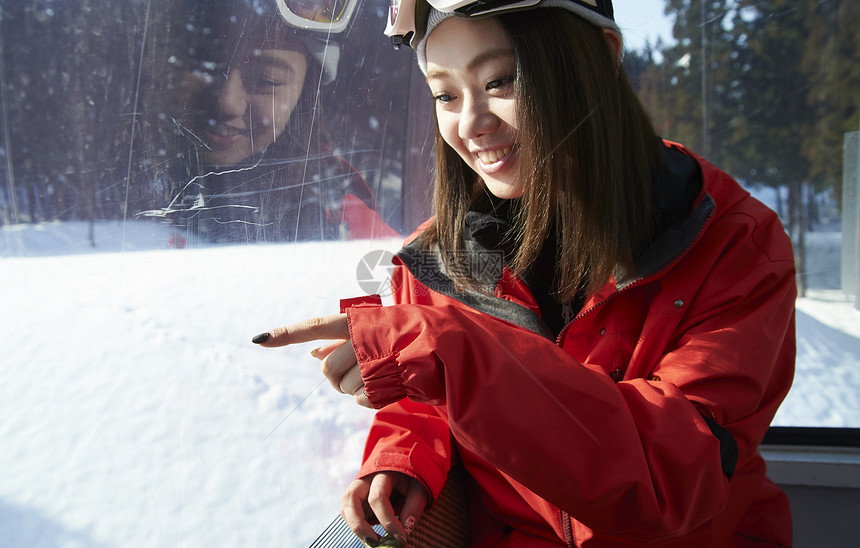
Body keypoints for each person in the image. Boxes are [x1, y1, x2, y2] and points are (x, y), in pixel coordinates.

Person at [253, 1, 796, 546]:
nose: (471, 124)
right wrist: (407, 456)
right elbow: (431, 402)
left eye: (501, 80)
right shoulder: (437, 262)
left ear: (601, 59)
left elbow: (672, 475)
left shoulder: (732, 243)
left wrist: (455, 355)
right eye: (445, 94)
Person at [147, 0, 398, 242]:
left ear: (304, 95)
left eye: (267, 80)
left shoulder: (344, 226)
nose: (226, 103)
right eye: (206, 67)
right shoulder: (119, 185)